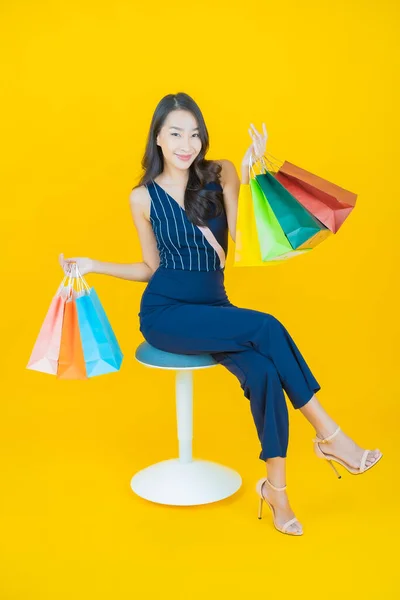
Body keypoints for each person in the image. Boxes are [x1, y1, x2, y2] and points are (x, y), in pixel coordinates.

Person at [59, 92, 383, 536]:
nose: (185, 143)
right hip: (166, 314)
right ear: (157, 138)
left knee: (265, 373)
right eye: (175, 133)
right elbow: (150, 268)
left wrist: (251, 177)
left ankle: (277, 493)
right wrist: (93, 265)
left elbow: (244, 239)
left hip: (215, 308)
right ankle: (331, 437)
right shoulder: (142, 198)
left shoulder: (221, 173)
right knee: (267, 326)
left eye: (194, 134)